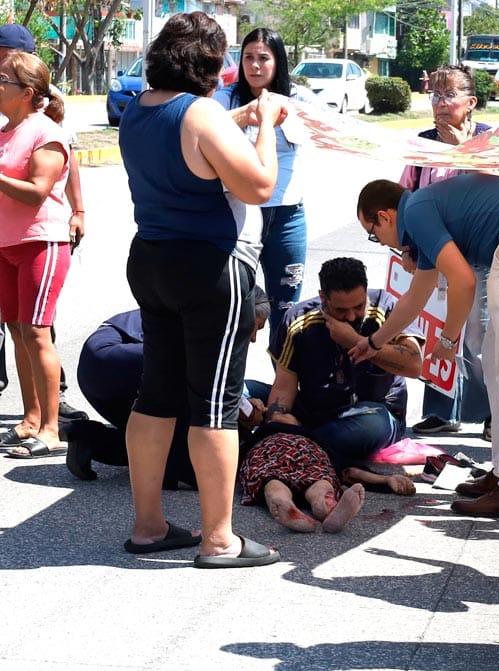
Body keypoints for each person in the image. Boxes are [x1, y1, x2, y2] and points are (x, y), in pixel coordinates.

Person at [118, 12, 287, 568]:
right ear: (213, 65)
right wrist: (263, 123)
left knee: (156, 394)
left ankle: (148, 526)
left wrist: (232, 117)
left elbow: (189, 139)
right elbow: (260, 185)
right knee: (213, 403)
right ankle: (220, 540)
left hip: (151, 259)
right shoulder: (202, 114)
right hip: (209, 267)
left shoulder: (138, 111)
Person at [351, 173, 499, 519]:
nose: (383, 243)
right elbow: (415, 297)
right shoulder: (422, 210)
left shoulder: (418, 210)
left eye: (375, 235)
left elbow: (462, 282)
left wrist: (448, 342)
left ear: (387, 216)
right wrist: (374, 341)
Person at [67, 289, 271, 484]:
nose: (253, 339)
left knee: (154, 438)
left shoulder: (202, 306)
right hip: (128, 363)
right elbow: (214, 382)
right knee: (214, 461)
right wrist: (246, 410)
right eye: (255, 328)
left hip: (92, 367)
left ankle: (88, 438)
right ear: (242, 317)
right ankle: (175, 470)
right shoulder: (214, 323)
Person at [0, 23, 88, 422]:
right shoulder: (8, 129)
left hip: (40, 240)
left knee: (36, 332)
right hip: (6, 243)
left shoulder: (45, 129)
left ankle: (51, 422)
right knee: (19, 331)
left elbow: (40, 188)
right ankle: (31, 416)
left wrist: (79, 210)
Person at [399, 65, 492, 439]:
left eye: (450, 95)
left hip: (481, 252)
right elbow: (408, 192)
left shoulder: (488, 139)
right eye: (435, 95)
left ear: (470, 102)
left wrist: (460, 151)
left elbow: (497, 187)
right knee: (435, 328)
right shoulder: (422, 141)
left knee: (479, 338)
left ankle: (494, 415)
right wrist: (408, 242)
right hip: (436, 250)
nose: (441, 103)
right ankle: (440, 411)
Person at [265, 257, 424, 470]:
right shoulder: (298, 319)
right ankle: (295, 440)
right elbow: (284, 385)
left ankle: (292, 442)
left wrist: (358, 342)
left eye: (358, 306)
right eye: (340, 310)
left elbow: (414, 365)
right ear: (323, 298)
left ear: (366, 292)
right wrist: (277, 416)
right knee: (240, 395)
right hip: (313, 412)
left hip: (372, 415)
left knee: (371, 425)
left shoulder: (386, 308)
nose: (350, 316)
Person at [214, 27, 315, 335]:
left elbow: (329, 130)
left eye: (263, 58)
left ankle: (283, 382)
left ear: (278, 62)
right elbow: (203, 127)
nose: (255, 66)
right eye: (248, 58)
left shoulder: (299, 99)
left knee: (285, 314)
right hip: (239, 216)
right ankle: (231, 382)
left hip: (287, 216)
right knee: (235, 307)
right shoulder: (225, 98)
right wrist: (247, 113)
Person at [239, 417, 415, 534]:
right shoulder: (259, 437)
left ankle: (315, 506)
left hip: (282, 455)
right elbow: (350, 472)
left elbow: (349, 471)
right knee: (280, 481)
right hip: (277, 454)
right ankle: (317, 506)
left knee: (281, 481)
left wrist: (386, 480)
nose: (281, 415)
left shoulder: (312, 438)